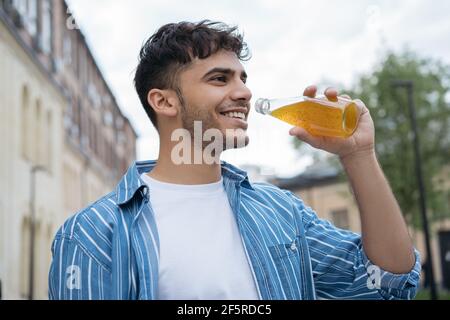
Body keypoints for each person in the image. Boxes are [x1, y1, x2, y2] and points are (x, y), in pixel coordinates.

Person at [48, 20, 421, 300]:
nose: (244, 92)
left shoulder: (280, 211)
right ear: (164, 101)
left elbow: (387, 282)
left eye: (242, 78)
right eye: (219, 79)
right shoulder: (94, 234)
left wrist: (359, 155)